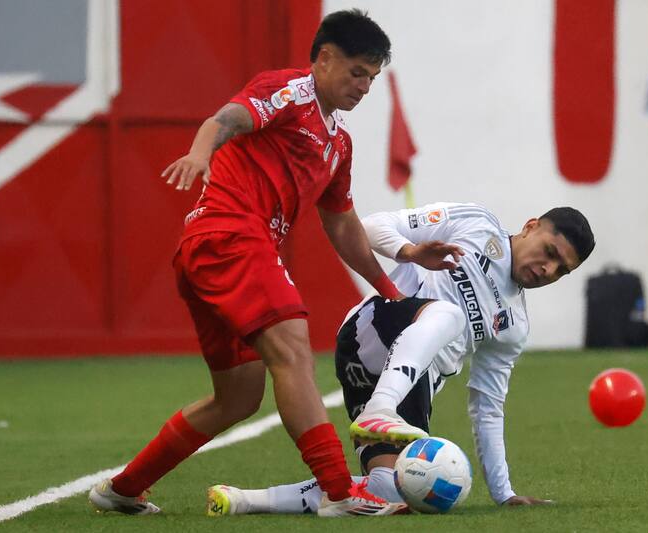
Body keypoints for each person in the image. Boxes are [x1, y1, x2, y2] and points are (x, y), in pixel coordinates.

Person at [89, 10, 420, 517]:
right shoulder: (292, 91)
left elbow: (342, 225)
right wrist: (201, 154)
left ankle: (121, 489)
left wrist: (388, 288)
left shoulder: (339, 143)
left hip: (213, 252)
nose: (364, 86)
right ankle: (339, 492)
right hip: (231, 237)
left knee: (238, 398)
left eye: (372, 78)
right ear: (324, 57)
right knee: (293, 352)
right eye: (356, 72)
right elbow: (224, 120)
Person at [203, 202, 595, 515]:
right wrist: (410, 252)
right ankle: (380, 409)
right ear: (529, 226)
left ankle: (244, 500)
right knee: (450, 315)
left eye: (561, 270)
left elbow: (487, 406)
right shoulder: (476, 224)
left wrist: (504, 493)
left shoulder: (514, 324)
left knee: (391, 494)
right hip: (374, 330)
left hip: (411, 386)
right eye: (550, 253)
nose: (548, 270)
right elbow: (371, 226)